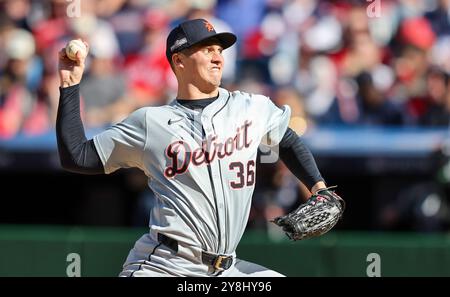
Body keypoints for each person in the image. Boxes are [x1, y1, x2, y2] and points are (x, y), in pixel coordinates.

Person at [56, 18, 332, 277]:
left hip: (227, 267)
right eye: (207, 49)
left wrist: (318, 188)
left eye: (220, 50)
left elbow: (287, 139)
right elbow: (77, 157)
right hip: (165, 265)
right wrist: (70, 85)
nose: (217, 57)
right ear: (179, 60)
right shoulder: (150, 122)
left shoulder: (250, 107)